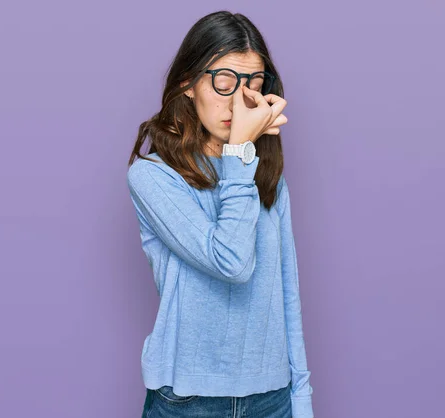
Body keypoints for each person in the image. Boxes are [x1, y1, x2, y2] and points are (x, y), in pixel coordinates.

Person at [127, 10, 314, 418]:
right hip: (189, 401)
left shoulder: (263, 172)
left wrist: (301, 399)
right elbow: (231, 262)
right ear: (187, 82)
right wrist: (237, 153)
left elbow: (286, 290)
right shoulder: (153, 177)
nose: (239, 101)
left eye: (253, 85)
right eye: (224, 80)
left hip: (272, 397)